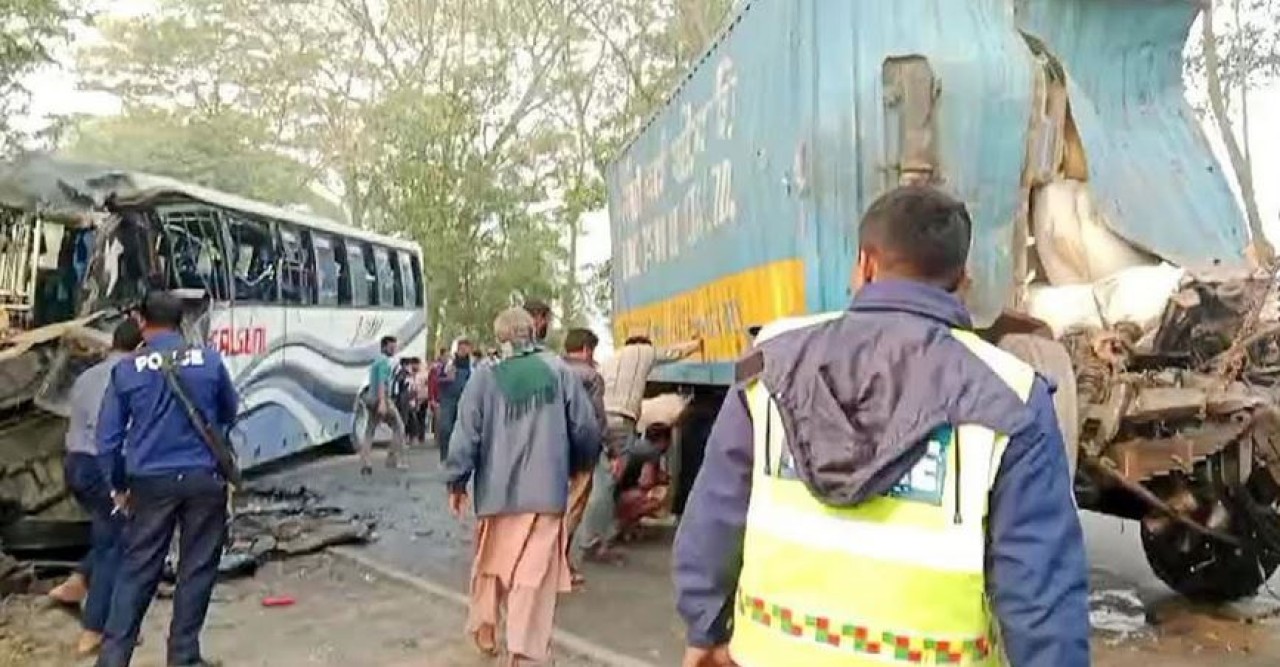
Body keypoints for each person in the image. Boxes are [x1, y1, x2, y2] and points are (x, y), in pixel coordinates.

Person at [673, 185, 1090, 667]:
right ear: (964, 279)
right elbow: (1041, 590)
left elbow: (716, 513)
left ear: (866, 265)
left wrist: (705, 628)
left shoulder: (771, 364)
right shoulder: (1012, 395)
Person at [444, 308, 601, 666]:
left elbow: (465, 434)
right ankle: (523, 651)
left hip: (495, 496)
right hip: (544, 494)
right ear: (533, 332)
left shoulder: (485, 376)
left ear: (500, 336)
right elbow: (585, 429)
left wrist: (457, 480)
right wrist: (579, 466)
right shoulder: (558, 371)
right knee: (532, 576)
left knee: (492, 563)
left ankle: (485, 626)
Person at [95, 291, 240, 667]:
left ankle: (113, 659)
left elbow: (108, 440)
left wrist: (117, 486)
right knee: (196, 569)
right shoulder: (208, 360)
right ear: (182, 322)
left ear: (142, 322)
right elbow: (230, 410)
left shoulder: (127, 369)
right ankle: (183, 657)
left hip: (149, 484)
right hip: (203, 480)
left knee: (136, 571)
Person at [58, 319, 144, 656]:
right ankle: (96, 630)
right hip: (102, 464)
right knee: (119, 546)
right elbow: (116, 435)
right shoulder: (129, 377)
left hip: (74, 464)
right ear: (140, 348)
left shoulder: (87, 375)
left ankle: (77, 582)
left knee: (108, 531)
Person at [578, 333, 701, 562]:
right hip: (620, 422)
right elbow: (672, 353)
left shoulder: (610, 360)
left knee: (603, 481)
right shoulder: (642, 351)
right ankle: (595, 542)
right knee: (607, 483)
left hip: (601, 420)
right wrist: (696, 343)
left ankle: (595, 537)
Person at [561, 327, 607, 587]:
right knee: (573, 508)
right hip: (581, 452)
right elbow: (597, 419)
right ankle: (561, 564)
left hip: (552, 451)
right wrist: (606, 447)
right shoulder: (591, 376)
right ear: (587, 349)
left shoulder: (553, 370)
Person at [357, 335, 408, 475]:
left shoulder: (376, 361)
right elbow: (381, 383)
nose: (394, 350)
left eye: (395, 347)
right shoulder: (384, 362)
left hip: (369, 399)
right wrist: (383, 402)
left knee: (370, 430)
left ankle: (365, 462)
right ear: (384, 347)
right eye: (392, 347)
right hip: (381, 398)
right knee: (399, 427)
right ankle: (392, 459)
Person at [436, 337, 474, 463]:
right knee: (445, 428)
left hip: (464, 400)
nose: (463, 350)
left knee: (462, 431)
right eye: (461, 347)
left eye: (466, 347)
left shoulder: (472, 365)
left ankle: (458, 458)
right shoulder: (449, 363)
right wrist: (447, 379)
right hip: (448, 399)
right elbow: (436, 380)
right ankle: (444, 457)